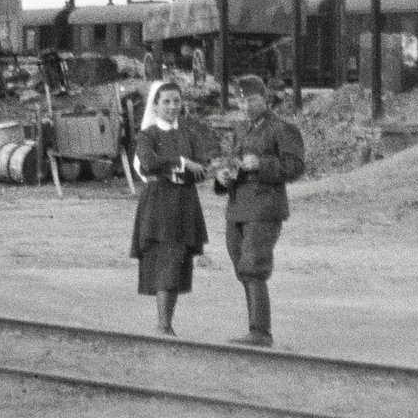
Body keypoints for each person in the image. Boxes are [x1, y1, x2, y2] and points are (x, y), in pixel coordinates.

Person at [212, 75, 305, 347]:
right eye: (241, 99)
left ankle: (260, 332)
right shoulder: (243, 130)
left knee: (253, 267)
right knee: (242, 267)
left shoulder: (282, 129)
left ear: (265, 99)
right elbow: (233, 162)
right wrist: (222, 178)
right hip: (237, 208)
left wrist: (262, 165)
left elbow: (296, 168)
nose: (245, 105)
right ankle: (254, 329)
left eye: (251, 99)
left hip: (264, 208)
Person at [130, 80, 213, 335]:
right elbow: (148, 162)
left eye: (176, 101)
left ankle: (166, 324)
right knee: (165, 259)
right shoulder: (147, 135)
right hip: (159, 205)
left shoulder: (188, 133)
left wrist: (196, 170)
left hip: (185, 203)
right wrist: (181, 162)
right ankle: (163, 325)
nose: (172, 106)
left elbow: (202, 167)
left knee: (178, 260)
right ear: (154, 106)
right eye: (166, 101)